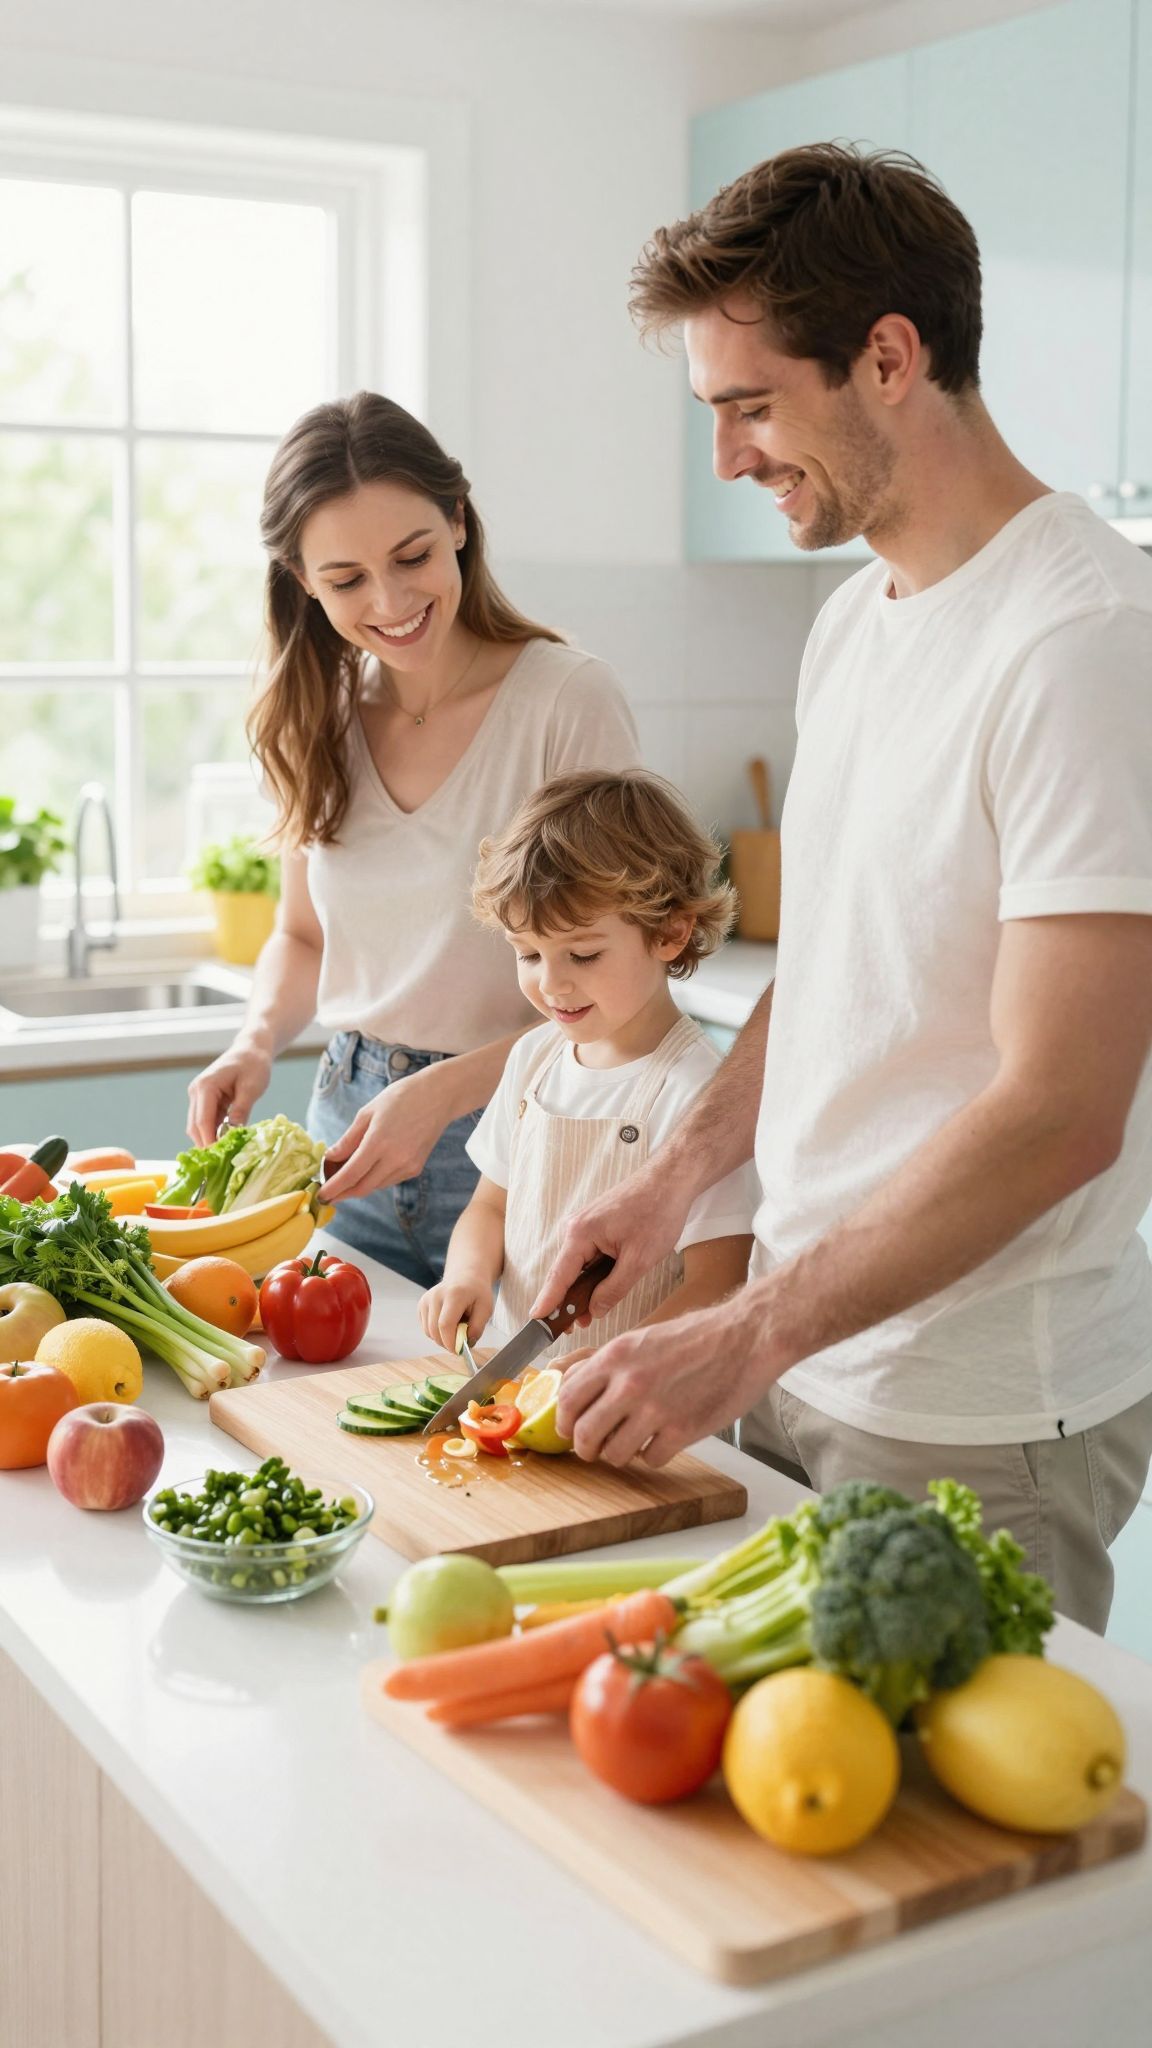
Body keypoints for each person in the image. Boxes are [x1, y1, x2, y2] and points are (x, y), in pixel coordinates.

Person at [537, 144, 1152, 1631]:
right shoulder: (854, 624)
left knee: (955, 1855)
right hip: (802, 1355)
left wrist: (740, 1333)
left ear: (890, 357)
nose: (730, 458)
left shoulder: (1085, 641)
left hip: (972, 1403)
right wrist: (675, 1177)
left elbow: (1063, 1109)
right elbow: (830, 981)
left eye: (752, 405)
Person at [187, 393, 639, 1287]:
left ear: (459, 522)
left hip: (516, 1137)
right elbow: (305, 935)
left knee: (504, 1418)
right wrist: (254, 1042)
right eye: (347, 579)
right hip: (346, 1135)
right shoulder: (318, 715)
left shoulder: (564, 703)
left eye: (413, 556)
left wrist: (439, 1095)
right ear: (302, 580)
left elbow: (620, 990)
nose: (390, 602)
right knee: (338, 1416)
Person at [418, 770, 756, 1362]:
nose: (551, 984)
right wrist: (467, 1276)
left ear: (671, 932)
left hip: (640, 1403)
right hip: (524, 1393)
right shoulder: (533, 1058)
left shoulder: (699, 1091)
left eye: (583, 954)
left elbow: (719, 1281)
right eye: (527, 954)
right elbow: (489, 1206)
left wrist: (620, 1361)